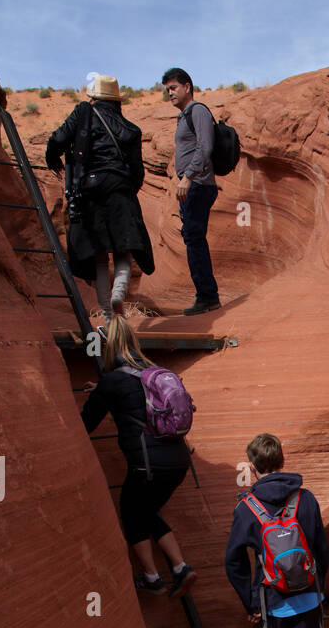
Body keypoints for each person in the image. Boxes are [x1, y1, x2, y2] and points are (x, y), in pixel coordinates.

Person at [225, 434, 329, 628]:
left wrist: (249, 600)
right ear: (283, 461)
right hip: (308, 592)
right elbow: (321, 548)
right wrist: (317, 585)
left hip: (272, 597)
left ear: (253, 468)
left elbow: (233, 561)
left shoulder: (246, 509)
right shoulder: (306, 499)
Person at [81, 316, 196, 597]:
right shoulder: (153, 372)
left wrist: (101, 394)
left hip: (147, 464)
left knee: (131, 515)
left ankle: (152, 576)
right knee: (146, 511)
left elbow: (86, 423)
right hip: (178, 460)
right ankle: (181, 568)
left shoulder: (112, 381)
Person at [46, 73, 154, 323]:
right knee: (123, 248)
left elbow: (58, 139)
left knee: (98, 256)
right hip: (119, 189)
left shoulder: (83, 113)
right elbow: (137, 171)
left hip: (89, 190)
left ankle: (108, 316)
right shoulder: (130, 129)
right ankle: (119, 292)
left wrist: (53, 160)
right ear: (117, 100)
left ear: (94, 97)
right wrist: (127, 192)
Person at [162, 66, 221, 315]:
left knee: (194, 238)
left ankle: (207, 297)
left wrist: (187, 177)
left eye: (173, 88)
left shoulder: (197, 111)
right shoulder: (186, 115)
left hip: (197, 184)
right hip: (194, 184)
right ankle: (206, 295)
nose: (170, 93)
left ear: (188, 87)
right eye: (167, 90)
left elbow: (205, 146)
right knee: (193, 238)